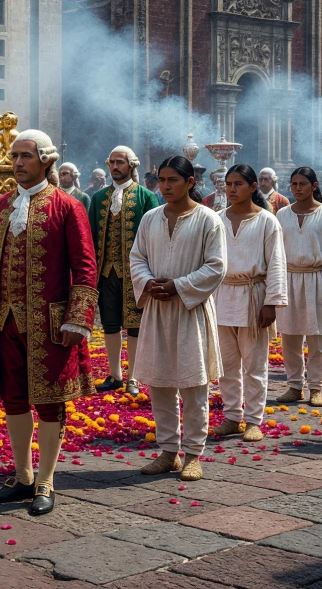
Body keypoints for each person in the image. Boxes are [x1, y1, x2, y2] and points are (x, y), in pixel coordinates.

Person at [0, 130, 96, 516]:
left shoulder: (67, 207)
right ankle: (23, 477)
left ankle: (47, 481)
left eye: (26, 156)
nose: (18, 163)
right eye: (14, 156)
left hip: (49, 324)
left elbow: (85, 268)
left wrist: (78, 318)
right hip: (3, 321)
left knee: (51, 402)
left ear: (46, 160)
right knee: (14, 399)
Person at [130, 156, 226, 481]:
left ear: (190, 182)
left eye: (173, 179)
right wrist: (147, 283)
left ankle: (194, 454)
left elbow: (216, 266)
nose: (166, 186)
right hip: (158, 308)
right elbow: (137, 257)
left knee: (193, 384)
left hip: (190, 309)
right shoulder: (150, 219)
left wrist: (179, 286)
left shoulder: (208, 220)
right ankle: (169, 451)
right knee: (159, 383)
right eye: (162, 179)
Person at [211, 164, 286, 441]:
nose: (232, 189)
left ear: (253, 187)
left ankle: (254, 419)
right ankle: (232, 416)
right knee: (227, 364)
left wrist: (272, 302)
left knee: (254, 364)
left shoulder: (267, 221)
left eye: (238, 184)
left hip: (254, 295)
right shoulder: (216, 219)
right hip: (222, 295)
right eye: (229, 184)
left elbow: (277, 263)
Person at [87, 145, 159, 396]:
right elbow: (90, 237)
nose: (115, 167)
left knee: (135, 325)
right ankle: (115, 375)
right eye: (112, 162)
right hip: (106, 273)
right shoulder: (98, 198)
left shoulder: (145, 197)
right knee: (109, 324)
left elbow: (154, 236)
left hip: (136, 274)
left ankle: (134, 378)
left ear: (132, 165)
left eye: (120, 162)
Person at [273, 167, 322, 407]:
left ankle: (316, 387)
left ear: (314, 186)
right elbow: (273, 253)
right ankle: (295, 386)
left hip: (317, 279)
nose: (298, 188)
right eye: (294, 184)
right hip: (288, 279)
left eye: (303, 183)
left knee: (317, 340)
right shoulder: (282, 215)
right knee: (290, 338)